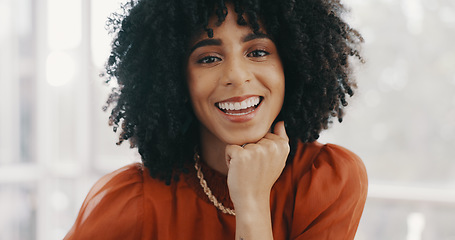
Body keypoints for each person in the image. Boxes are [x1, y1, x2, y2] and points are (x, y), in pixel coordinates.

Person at [65, 0, 367, 239]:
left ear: (292, 65)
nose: (236, 76)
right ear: (176, 80)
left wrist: (251, 200)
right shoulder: (136, 202)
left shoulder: (325, 181)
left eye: (258, 52)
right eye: (209, 58)